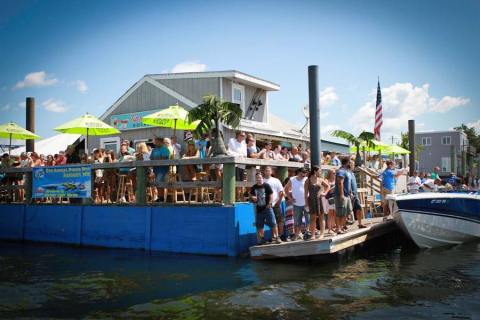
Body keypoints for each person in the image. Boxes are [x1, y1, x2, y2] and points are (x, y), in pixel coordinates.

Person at [250, 172, 282, 245]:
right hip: (259, 209)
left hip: (267, 208)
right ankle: (261, 239)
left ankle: (277, 237)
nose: (259, 179)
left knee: (273, 223)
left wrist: (270, 203)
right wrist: (252, 197)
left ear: (262, 178)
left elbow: (271, 194)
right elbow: (251, 195)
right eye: (257, 178)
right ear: (256, 179)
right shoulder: (254, 187)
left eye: (260, 178)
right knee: (259, 225)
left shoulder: (266, 185)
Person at [304, 165, 330, 240]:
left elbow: (328, 186)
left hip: (320, 200)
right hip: (311, 200)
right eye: (320, 171)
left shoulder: (321, 179)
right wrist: (306, 203)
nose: (320, 172)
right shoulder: (308, 180)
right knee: (312, 218)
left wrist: (324, 193)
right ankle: (313, 235)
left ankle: (322, 234)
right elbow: (305, 193)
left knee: (322, 217)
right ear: (315, 171)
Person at [284, 167, 308, 240]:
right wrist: (290, 198)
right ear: (299, 172)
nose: (304, 174)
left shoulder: (307, 179)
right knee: (297, 220)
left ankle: (308, 233)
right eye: (303, 172)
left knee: (308, 219)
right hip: (296, 203)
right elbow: (286, 189)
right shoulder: (292, 179)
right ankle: (297, 235)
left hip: (307, 203)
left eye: (305, 172)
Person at [263, 166, 285, 241]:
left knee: (280, 221)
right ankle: (274, 237)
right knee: (271, 222)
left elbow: (281, 192)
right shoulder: (262, 181)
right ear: (264, 171)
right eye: (266, 170)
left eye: (269, 170)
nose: (267, 172)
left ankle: (280, 235)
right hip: (266, 205)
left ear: (271, 172)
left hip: (276, 204)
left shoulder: (276, 180)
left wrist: (278, 202)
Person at [150, 137, 171, 201]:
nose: (155, 143)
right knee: (158, 183)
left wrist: (156, 159)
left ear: (161, 142)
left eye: (157, 142)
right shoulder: (154, 150)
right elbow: (151, 157)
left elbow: (164, 157)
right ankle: (160, 197)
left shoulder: (165, 149)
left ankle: (163, 197)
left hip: (163, 169)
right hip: (156, 169)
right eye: (155, 142)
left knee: (159, 182)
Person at [334, 157, 352, 234]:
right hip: (340, 195)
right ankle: (338, 228)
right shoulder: (341, 171)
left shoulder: (347, 171)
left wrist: (350, 192)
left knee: (346, 211)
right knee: (340, 212)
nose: (351, 163)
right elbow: (340, 183)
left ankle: (341, 227)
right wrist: (341, 195)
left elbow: (348, 183)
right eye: (350, 161)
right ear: (347, 162)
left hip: (347, 195)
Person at [349, 160, 367, 229]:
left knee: (359, 208)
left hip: (355, 194)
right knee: (348, 211)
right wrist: (350, 192)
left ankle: (360, 223)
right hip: (350, 194)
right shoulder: (347, 173)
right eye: (353, 165)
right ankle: (343, 226)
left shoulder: (352, 173)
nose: (354, 166)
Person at [325, 168, 337, 235]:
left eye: (335, 173)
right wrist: (332, 188)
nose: (334, 174)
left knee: (334, 213)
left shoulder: (336, 180)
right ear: (329, 173)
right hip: (329, 199)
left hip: (335, 198)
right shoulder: (327, 180)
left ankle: (333, 227)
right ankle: (329, 229)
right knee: (330, 214)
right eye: (333, 173)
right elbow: (326, 189)